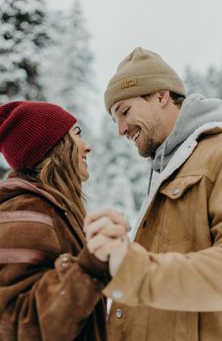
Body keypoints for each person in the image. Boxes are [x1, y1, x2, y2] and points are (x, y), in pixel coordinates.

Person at [84, 47, 222, 341]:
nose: (120, 130)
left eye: (125, 112)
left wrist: (134, 270)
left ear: (161, 96)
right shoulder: (172, 165)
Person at [0, 100, 128, 341]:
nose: (87, 146)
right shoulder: (27, 210)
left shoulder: (49, 208)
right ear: (53, 147)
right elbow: (17, 324)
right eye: (76, 134)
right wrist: (91, 265)